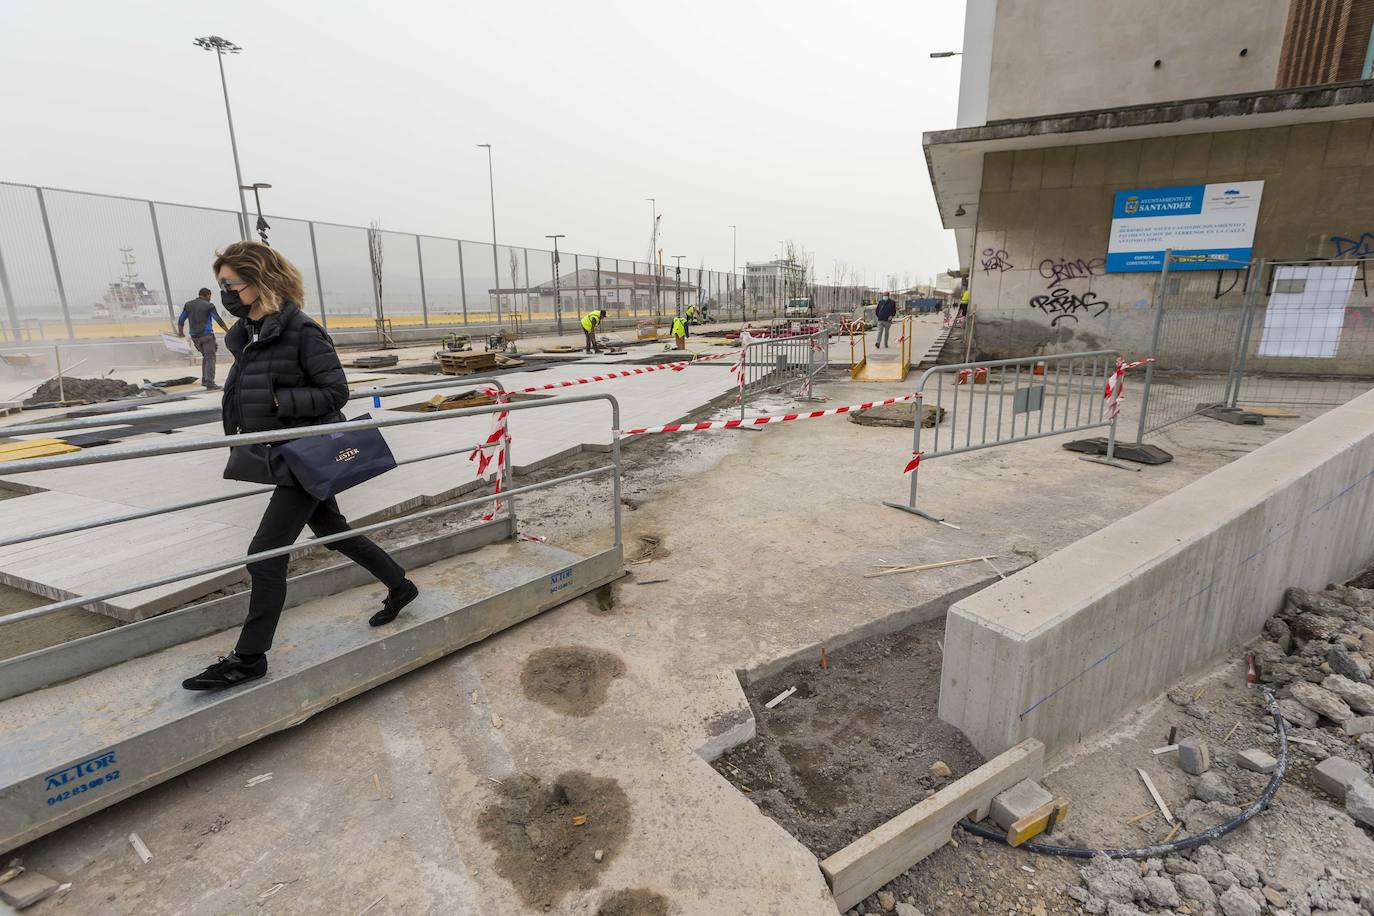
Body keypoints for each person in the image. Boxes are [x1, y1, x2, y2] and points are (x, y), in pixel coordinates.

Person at [182, 241, 418, 691]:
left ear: (260, 280)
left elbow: (336, 392)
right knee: (331, 529)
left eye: (230, 284)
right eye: (221, 286)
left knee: (265, 555)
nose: (226, 293)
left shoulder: (302, 331)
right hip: (281, 451)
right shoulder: (249, 333)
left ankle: (249, 657)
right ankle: (400, 585)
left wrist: (278, 401)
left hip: (305, 455)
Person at [177, 287, 229, 390]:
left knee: (206, 356)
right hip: (207, 336)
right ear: (208, 295)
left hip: (195, 337)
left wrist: (181, 333)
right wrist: (227, 330)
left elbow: (181, 319)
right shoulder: (209, 305)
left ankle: (205, 380)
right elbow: (217, 319)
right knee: (210, 359)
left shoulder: (188, 305)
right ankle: (210, 383)